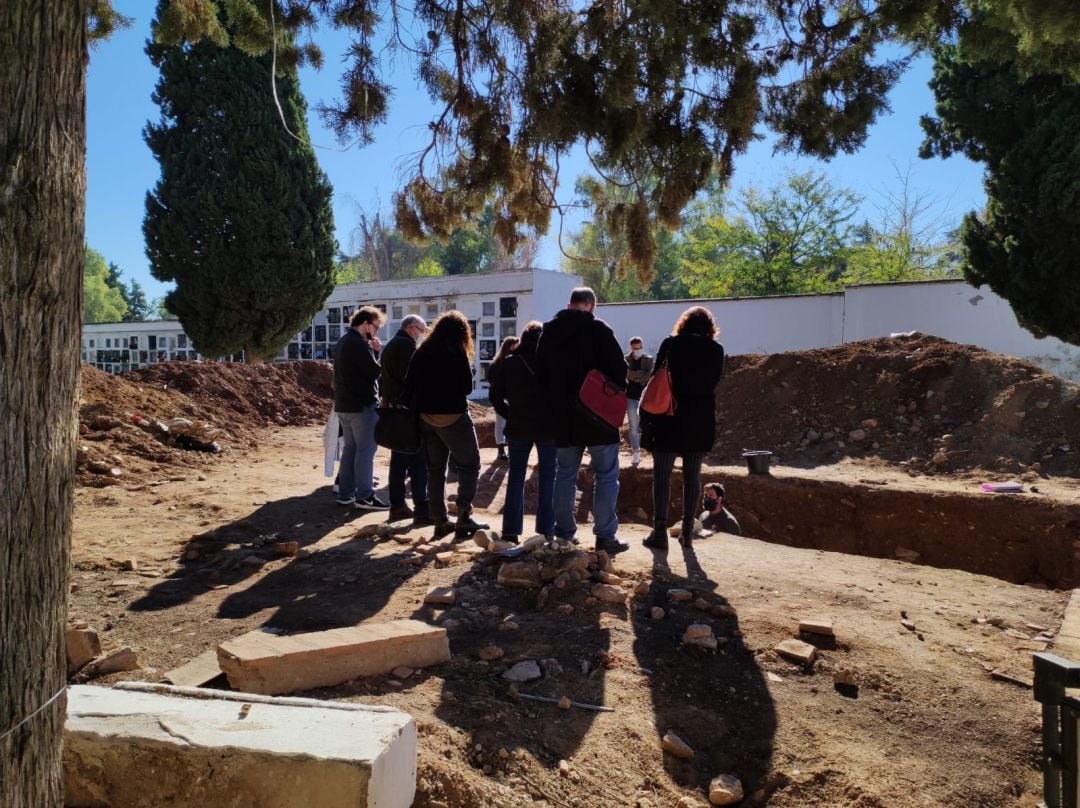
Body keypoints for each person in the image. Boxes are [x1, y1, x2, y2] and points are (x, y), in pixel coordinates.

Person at [536, 287, 629, 555]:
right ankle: (605, 537)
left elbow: (541, 377)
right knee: (607, 476)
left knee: (564, 476)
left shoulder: (549, 332)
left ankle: (564, 535)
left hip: (564, 418)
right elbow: (620, 370)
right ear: (591, 306)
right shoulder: (599, 329)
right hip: (599, 416)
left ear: (570, 305)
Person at [642, 306, 725, 550]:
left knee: (662, 476)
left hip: (669, 416)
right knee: (692, 476)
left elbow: (656, 376)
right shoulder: (716, 350)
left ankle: (659, 533)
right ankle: (687, 533)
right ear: (709, 327)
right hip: (700, 420)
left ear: (684, 323)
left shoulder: (671, 344)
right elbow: (715, 381)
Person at [403, 311, 489, 539]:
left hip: (426, 419)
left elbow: (409, 385)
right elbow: (467, 388)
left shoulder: (422, 351)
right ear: (462, 333)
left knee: (435, 469)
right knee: (470, 464)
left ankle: (440, 521)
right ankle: (463, 517)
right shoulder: (456, 352)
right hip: (453, 417)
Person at [489, 322, 556, 543]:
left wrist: (509, 414)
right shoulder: (550, 362)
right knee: (548, 477)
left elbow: (495, 397)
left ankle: (510, 531)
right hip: (548, 427)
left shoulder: (509, 363)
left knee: (516, 477)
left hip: (518, 427)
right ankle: (547, 530)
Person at [333, 305, 389, 510]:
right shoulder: (359, 344)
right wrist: (376, 351)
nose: (376, 332)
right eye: (376, 327)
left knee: (350, 449)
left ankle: (346, 493)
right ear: (365, 324)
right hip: (361, 406)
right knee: (365, 450)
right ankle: (365, 495)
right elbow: (375, 372)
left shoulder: (343, 341)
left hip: (344, 404)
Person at [380, 314, 431, 524]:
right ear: (411, 328)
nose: (421, 335)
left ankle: (398, 505)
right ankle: (422, 509)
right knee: (418, 461)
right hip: (406, 413)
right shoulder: (405, 347)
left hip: (394, 410)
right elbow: (411, 380)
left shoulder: (393, 344)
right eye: (421, 330)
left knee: (399, 461)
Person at [625, 336, 653, 466]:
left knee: (647, 424)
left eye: (640, 348)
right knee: (633, 425)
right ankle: (636, 453)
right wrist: (639, 375)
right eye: (636, 348)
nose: (638, 350)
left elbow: (648, 376)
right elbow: (627, 374)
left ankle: (652, 451)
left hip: (645, 397)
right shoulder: (626, 360)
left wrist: (634, 376)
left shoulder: (648, 360)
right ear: (631, 348)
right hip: (630, 396)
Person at [491, 336, 518, 464]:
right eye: (515, 345)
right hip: (504, 398)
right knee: (501, 424)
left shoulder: (498, 362)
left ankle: (504, 449)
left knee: (505, 424)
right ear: (509, 346)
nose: (517, 347)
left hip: (510, 397)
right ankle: (501, 450)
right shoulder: (498, 363)